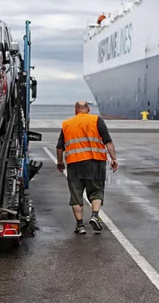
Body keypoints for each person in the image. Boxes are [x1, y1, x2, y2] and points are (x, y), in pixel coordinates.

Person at [55, 100, 118, 234]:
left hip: (74, 163)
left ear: (75, 110)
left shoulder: (67, 124)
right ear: (88, 109)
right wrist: (113, 159)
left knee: (76, 195)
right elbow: (108, 141)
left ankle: (80, 225)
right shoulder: (96, 120)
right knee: (96, 191)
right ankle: (95, 215)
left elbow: (60, 147)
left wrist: (60, 162)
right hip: (95, 162)